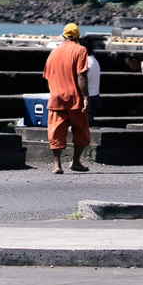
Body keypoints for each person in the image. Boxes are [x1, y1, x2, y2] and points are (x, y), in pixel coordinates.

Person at [43, 23, 90, 174]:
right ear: (78, 36)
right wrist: (86, 97)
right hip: (75, 98)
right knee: (81, 131)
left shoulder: (54, 52)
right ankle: (75, 162)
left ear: (64, 36)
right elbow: (81, 75)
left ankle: (57, 165)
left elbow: (46, 75)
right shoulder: (80, 50)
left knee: (56, 132)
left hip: (56, 98)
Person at [82, 37, 103, 120]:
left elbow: (81, 79)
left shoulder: (86, 62)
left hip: (88, 96)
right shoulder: (94, 61)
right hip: (94, 95)